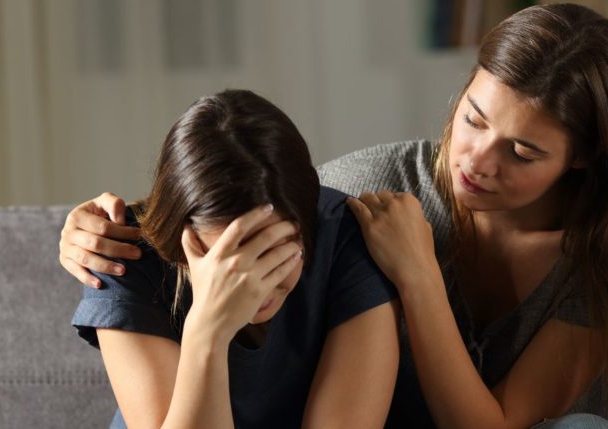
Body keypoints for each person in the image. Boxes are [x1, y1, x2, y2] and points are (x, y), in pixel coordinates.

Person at [60, 5, 608, 428]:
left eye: (522, 152)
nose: (478, 160)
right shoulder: (364, 192)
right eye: (472, 117)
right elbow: (251, 191)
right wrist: (87, 230)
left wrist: (417, 276)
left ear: (584, 159)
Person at [68, 89, 401, 428]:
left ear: (306, 224)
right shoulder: (121, 253)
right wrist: (208, 330)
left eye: (275, 253)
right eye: (228, 259)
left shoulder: (346, 238)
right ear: (183, 236)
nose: (254, 284)